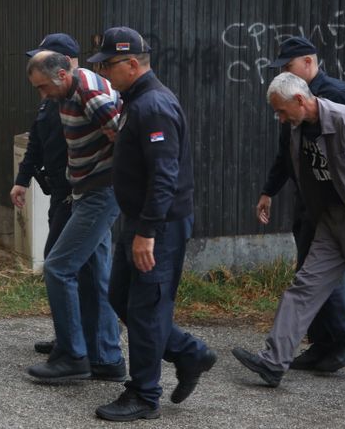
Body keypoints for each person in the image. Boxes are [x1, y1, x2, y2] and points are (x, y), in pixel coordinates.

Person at [233, 72, 345, 396]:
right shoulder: (297, 129)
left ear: (301, 100)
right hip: (330, 222)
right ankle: (273, 363)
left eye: (282, 111)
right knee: (303, 289)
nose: (280, 117)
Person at [87, 26, 217, 422]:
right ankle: (188, 352)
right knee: (121, 297)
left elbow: (165, 175)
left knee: (145, 307)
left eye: (108, 65)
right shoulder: (135, 100)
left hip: (157, 226)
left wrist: (147, 232)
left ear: (131, 63)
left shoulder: (153, 105)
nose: (104, 74)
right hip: (140, 220)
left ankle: (144, 395)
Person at [257, 36, 345, 372]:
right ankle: (313, 348)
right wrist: (269, 190)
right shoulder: (291, 106)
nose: (280, 117)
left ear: (307, 63)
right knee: (307, 279)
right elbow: (285, 154)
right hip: (316, 204)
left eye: (288, 66)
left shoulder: (340, 98)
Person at [24, 50, 126, 383]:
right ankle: (107, 359)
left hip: (101, 193)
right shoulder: (70, 91)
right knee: (95, 275)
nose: (42, 95)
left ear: (62, 75)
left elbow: (125, 138)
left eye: (42, 88)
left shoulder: (89, 92)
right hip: (86, 191)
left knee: (58, 266)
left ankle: (72, 356)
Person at [12, 33, 82, 356]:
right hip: (58, 196)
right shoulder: (48, 100)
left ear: (63, 63)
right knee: (57, 264)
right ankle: (67, 336)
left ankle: (74, 344)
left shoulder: (80, 99)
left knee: (61, 265)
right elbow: (36, 143)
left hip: (78, 198)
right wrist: (22, 180)